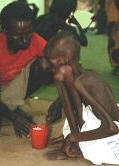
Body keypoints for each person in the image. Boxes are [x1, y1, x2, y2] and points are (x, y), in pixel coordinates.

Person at [44, 31, 119, 164]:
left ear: (64, 60)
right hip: (93, 124)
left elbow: (111, 128)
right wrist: (75, 138)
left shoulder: (85, 80)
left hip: (110, 130)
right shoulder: (63, 77)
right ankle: (79, 140)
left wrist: (73, 138)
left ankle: (80, 141)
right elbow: (69, 111)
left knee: (90, 147)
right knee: (71, 133)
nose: (50, 69)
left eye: (53, 64)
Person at [34, 0, 88, 124]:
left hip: (35, 69)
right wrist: (77, 24)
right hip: (47, 70)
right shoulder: (65, 28)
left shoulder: (41, 19)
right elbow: (84, 42)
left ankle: (61, 104)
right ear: (69, 11)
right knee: (76, 71)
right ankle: (61, 105)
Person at [0, 2, 47, 138]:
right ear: (4, 30)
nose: (25, 40)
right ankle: (11, 110)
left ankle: (10, 107)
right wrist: (14, 118)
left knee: (45, 64)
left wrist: (62, 101)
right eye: (18, 35)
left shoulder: (35, 41)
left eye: (28, 33)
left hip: (12, 89)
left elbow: (62, 64)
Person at [105, 0, 119, 75]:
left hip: (114, 22)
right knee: (113, 44)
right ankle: (116, 65)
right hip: (112, 20)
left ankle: (116, 65)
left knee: (114, 44)